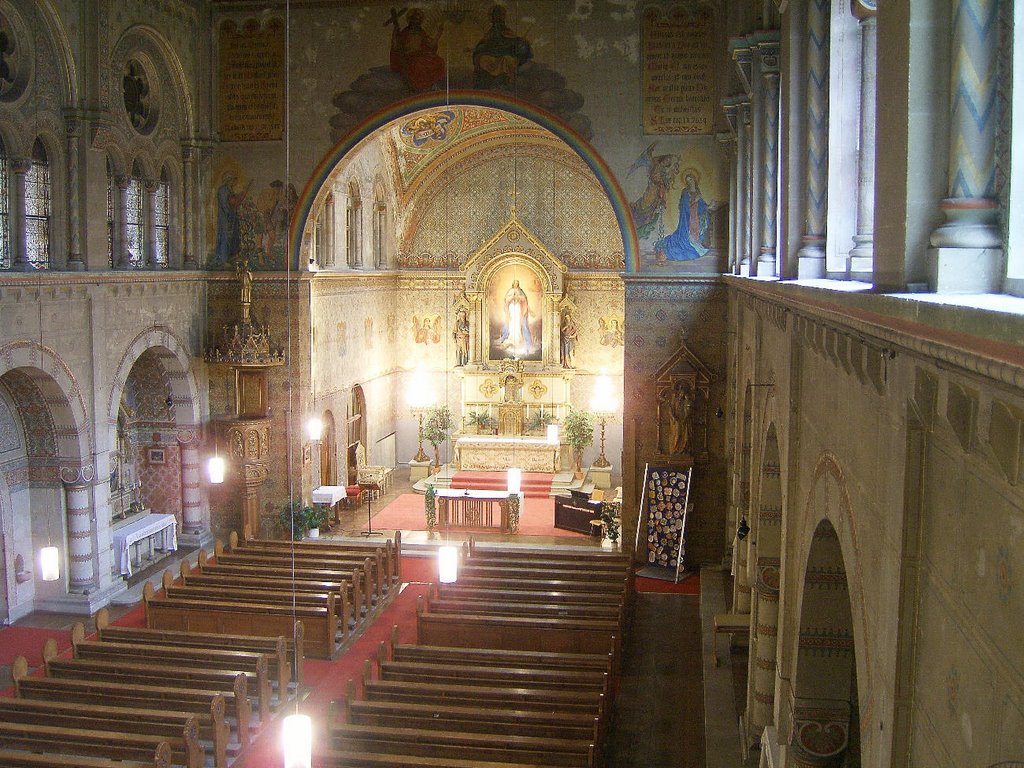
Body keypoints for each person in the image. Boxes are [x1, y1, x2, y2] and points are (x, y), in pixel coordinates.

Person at [655, 172, 711, 262]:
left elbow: (702, 205)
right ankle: (688, 243)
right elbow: (684, 205)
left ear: (694, 180)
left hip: (696, 216)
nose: (689, 182)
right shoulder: (685, 192)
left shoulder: (698, 192)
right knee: (686, 236)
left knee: (699, 228)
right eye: (687, 180)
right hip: (687, 217)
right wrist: (694, 201)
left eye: (691, 179)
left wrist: (707, 206)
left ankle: (697, 243)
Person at [472, 5, 532, 90]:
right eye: (495, 16)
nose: (497, 18)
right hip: (492, 54)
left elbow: (513, 41)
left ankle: (505, 81)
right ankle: (488, 82)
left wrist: (517, 42)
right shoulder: (490, 32)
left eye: (499, 15)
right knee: (482, 58)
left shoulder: (507, 31)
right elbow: (483, 45)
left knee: (506, 59)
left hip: (505, 54)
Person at [388, 8, 445, 92]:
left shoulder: (421, 32)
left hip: (421, 54)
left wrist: (439, 34)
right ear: (410, 20)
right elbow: (396, 45)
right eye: (414, 19)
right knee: (419, 64)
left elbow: (431, 44)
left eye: (418, 19)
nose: (416, 21)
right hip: (410, 56)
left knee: (438, 61)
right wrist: (395, 33)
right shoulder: (405, 32)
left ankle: (431, 84)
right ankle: (420, 87)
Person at [214, 173, 248, 266]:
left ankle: (232, 255)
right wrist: (229, 213)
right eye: (232, 180)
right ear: (228, 180)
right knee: (224, 236)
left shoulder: (229, 189)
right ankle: (223, 259)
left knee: (233, 235)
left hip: (231, 216)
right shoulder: (223, 190)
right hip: (225, 217)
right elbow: (225, 204)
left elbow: (233, 200)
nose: (234, 182)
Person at [500, 279, 532, 351]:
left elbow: (524, 299)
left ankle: (518, 340)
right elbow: (506, 300)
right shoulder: (510, 291)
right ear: (513, 284)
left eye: (517, 283)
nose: (516, 284)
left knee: (517, 322)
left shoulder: (520, 291)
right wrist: (512, 297)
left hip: (518, 307)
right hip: (512, 307)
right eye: (515, 283)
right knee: (512, 322)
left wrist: (519, 297)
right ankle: (511, 338)